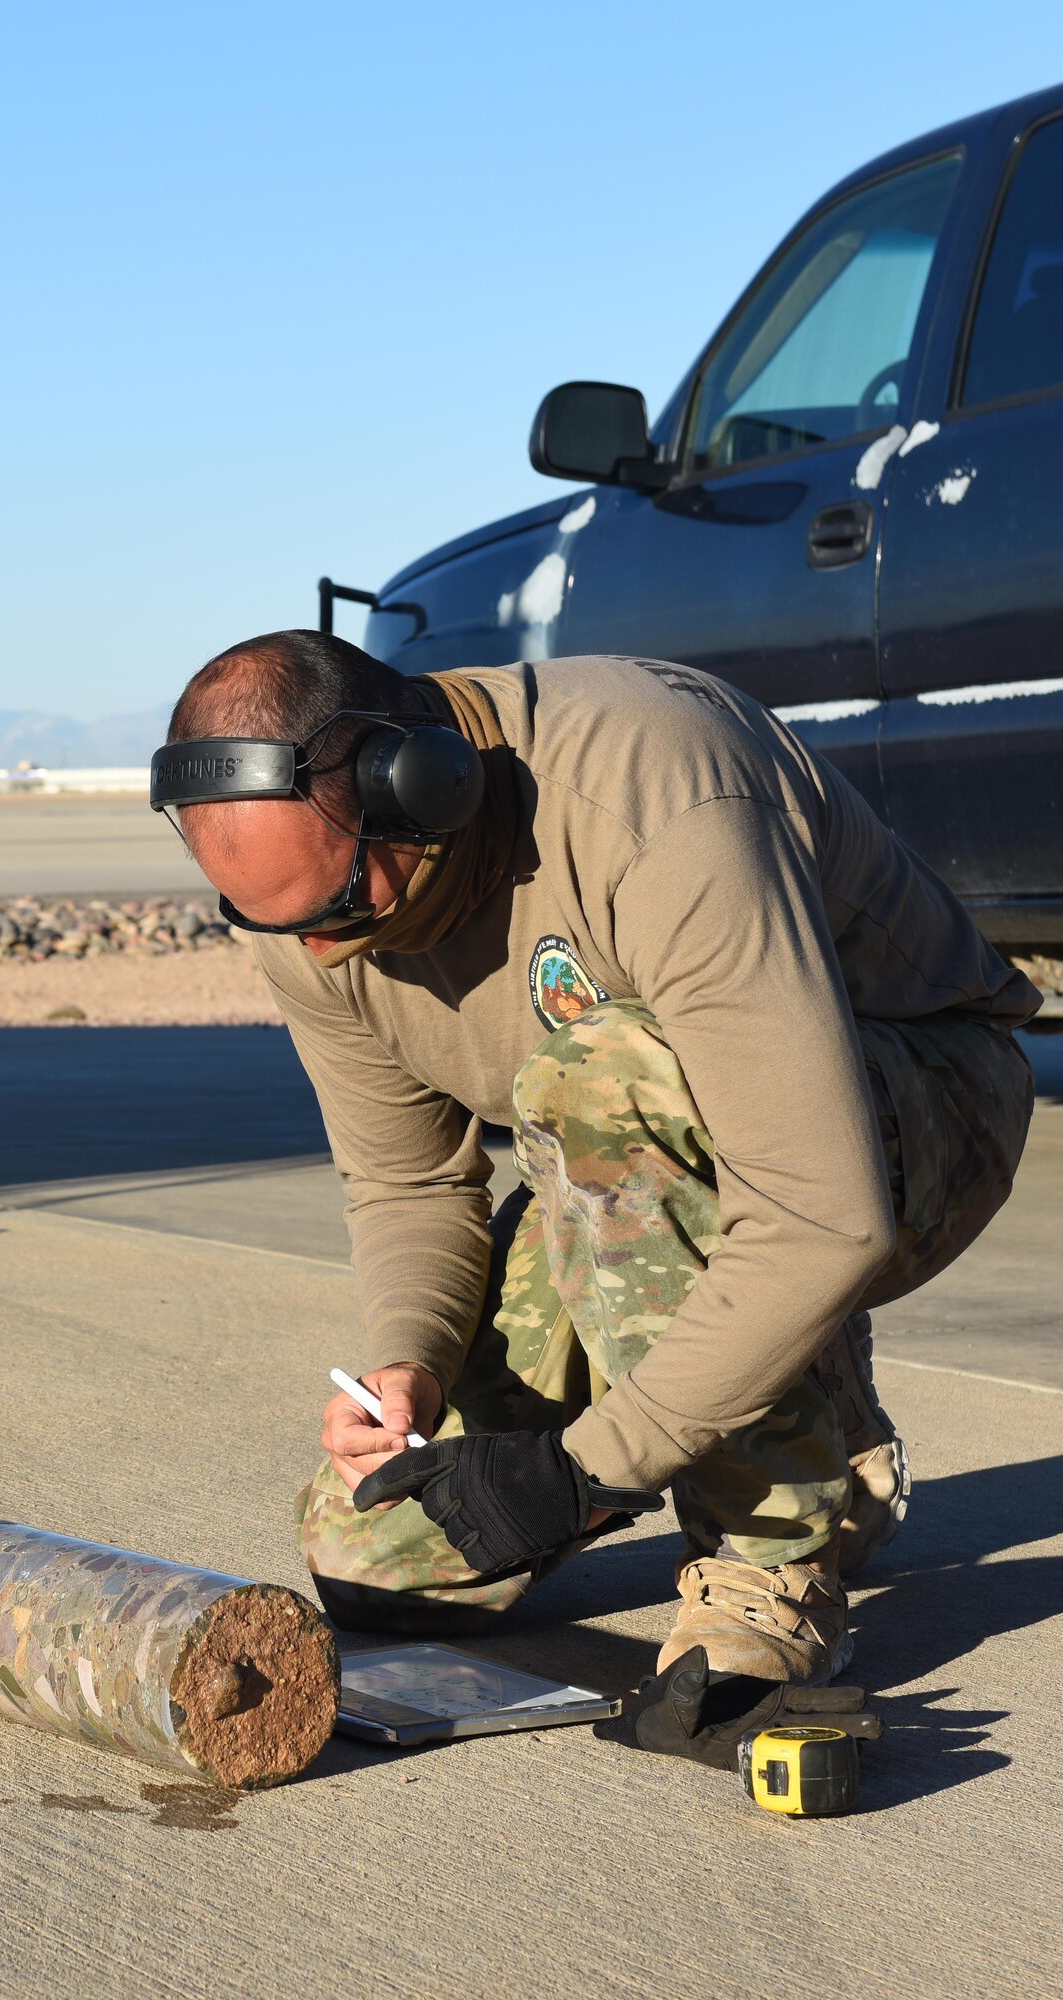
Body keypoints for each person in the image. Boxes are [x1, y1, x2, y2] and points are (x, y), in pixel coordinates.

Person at [150, 630, 1037, 1737]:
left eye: (336, 904)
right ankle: (816, 1410)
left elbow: (819, 1210)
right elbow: (406, 1181)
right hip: (640, 1163)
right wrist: (407, 1371)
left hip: (918, 1110)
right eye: (271, 920)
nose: (321, 952)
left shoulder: (658, 795)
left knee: (599, 1076)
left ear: (419, 783)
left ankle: (769, 1559)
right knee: (377, 1553)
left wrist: (586, 1471)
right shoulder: (300, 909)